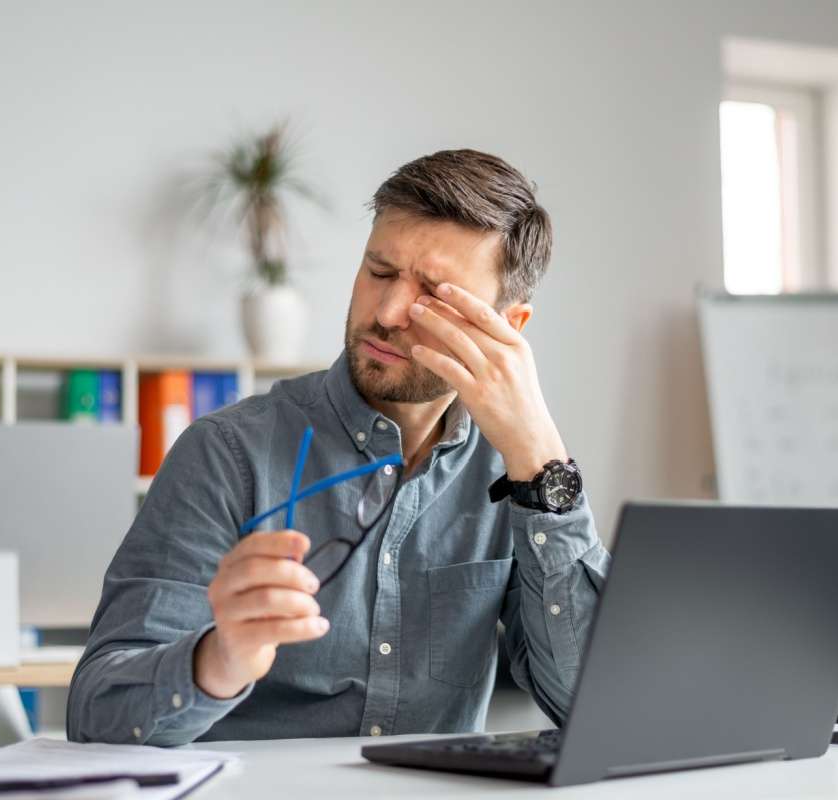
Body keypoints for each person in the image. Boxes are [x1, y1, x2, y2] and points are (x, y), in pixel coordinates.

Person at [67, 149, 609, 745]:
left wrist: (543, 462)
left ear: (509, 327)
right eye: (379, 272)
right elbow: (97, 713)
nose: (387, 313)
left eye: (433, 295)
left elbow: (598, 711)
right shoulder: (226, 454)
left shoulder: (513, 476)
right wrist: (219, 659)